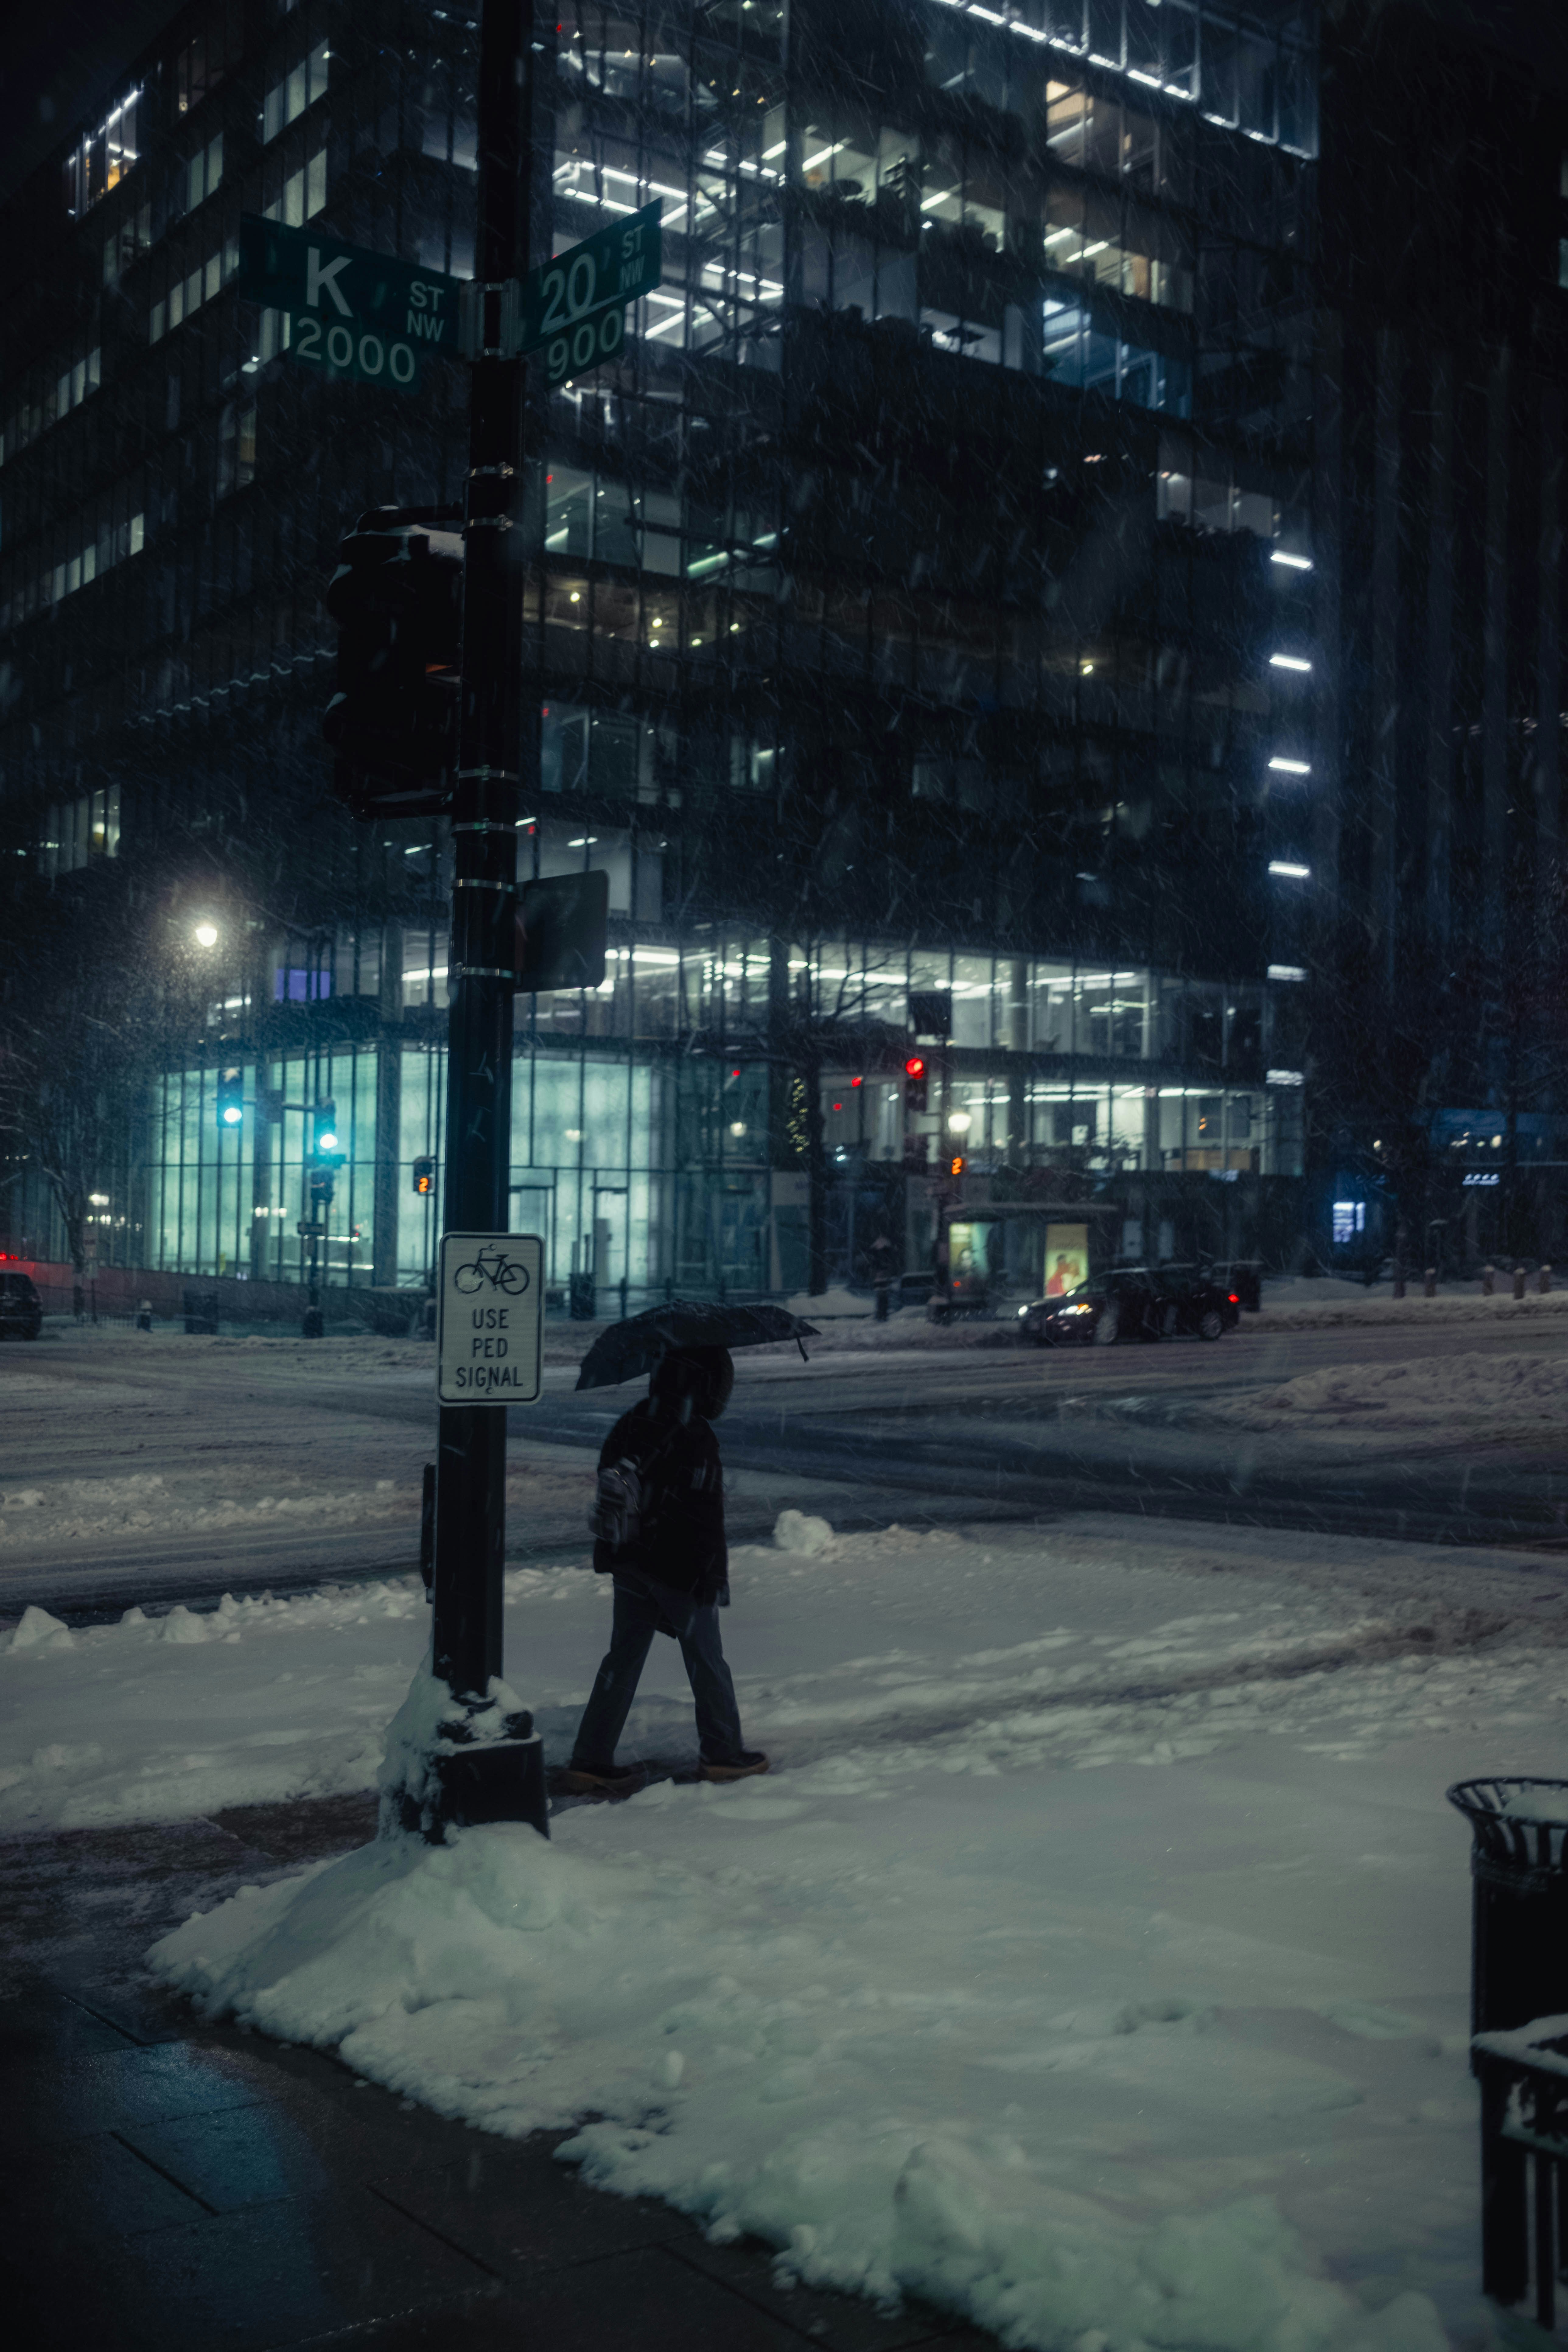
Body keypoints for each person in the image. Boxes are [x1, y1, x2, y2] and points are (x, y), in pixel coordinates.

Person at [563, 1344, 768, 1795]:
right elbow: (704, 1518)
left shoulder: (635, 1419)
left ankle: (590, 1759)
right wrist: (711, 1578)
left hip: (629, 1558)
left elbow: (610, 1477)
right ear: (705, 1384)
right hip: (679, 1567)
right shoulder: (695, 1434)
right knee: (707, 1660)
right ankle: (722, 1753)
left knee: (622, 1659)